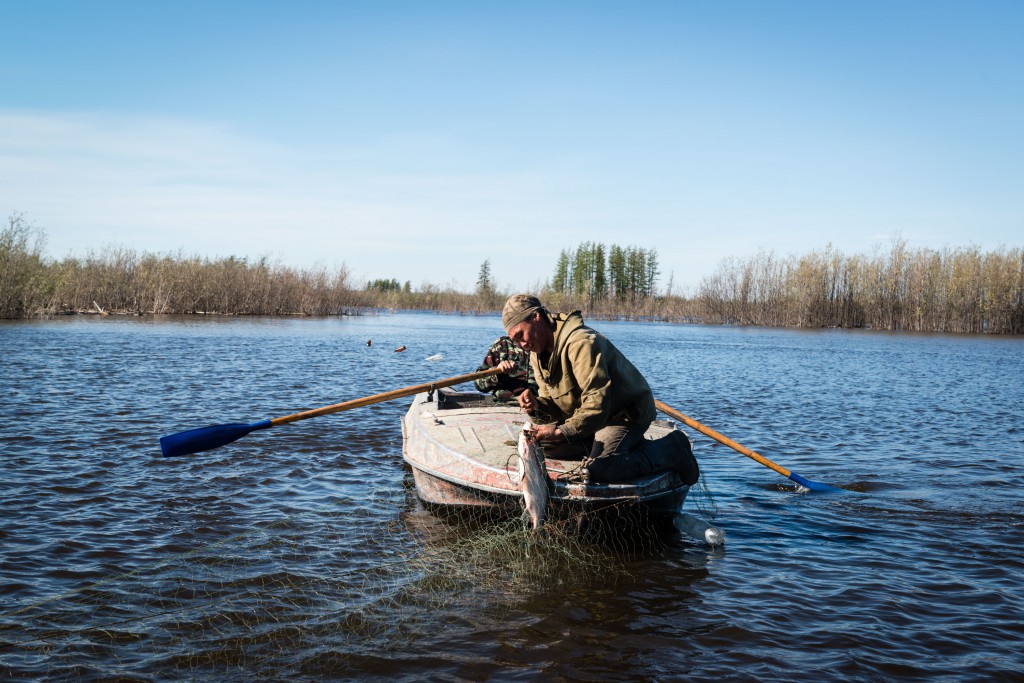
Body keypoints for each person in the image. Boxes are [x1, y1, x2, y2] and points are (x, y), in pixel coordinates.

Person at [501, 294, 698, 484]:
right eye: (516, 341)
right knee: (539, 446)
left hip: (623, 414)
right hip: (588, 417)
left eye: (521, 335)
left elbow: (598, 405)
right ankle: (601, 444)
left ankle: (671, 447)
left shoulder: (581, 343)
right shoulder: (538, 350)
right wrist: (536, 406)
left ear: (536, 317)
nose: (522, 345)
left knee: (602, 469)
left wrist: (563, 432)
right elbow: (555, 404)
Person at [474, 336, 537, 401]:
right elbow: (479, 385)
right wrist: (496, 373)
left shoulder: (543, 345)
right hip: (506, 404)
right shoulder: (502, 344)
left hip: (539, 405)